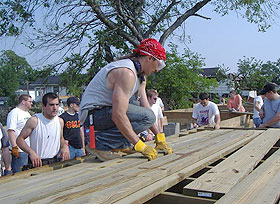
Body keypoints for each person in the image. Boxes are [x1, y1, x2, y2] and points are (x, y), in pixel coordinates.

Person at [79, 38, 172, 161]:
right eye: (158, 64)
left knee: (138, 106)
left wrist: (159, 137)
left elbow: (146, 108)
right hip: (93, 115)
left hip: (104, 112)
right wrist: (139, 145)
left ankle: (121, 144)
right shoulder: (127, 73)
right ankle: (99, 144)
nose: (156, 70)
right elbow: (118, 115)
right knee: (144, 115)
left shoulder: (140, 76)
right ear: (149, 58)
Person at [16, 93, 70, 168]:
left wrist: (64, 146)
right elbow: (19, 139)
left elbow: (60, 138)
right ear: (43, 106)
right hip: (37, 162)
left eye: (57, 104)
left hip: (54, 161)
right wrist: (31, 152)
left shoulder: (60, 121)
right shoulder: (35, 121)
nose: (55, 108)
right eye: (51, 105)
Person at [7, 94, 32, 173]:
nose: (32, 103)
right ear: (23, 102)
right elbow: (11, 131)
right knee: (20, 173)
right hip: (20, 151)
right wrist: (14, 147)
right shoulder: (14, 113)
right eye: (30, 101)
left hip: (28, 149)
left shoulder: (27, 114)